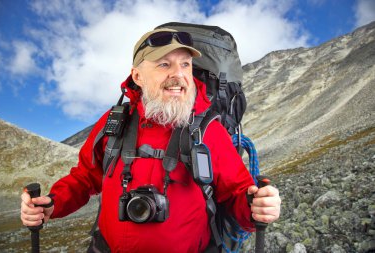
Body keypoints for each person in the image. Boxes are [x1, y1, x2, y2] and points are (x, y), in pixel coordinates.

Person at [21, 28, 281, 253]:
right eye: (164, 64)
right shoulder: (115, 122)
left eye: (185, 65)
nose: (178, 75)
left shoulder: (208, 130)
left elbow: (237, 195)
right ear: (137, 77)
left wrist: (256, 207)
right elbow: (84, 178)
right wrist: (52, 204)